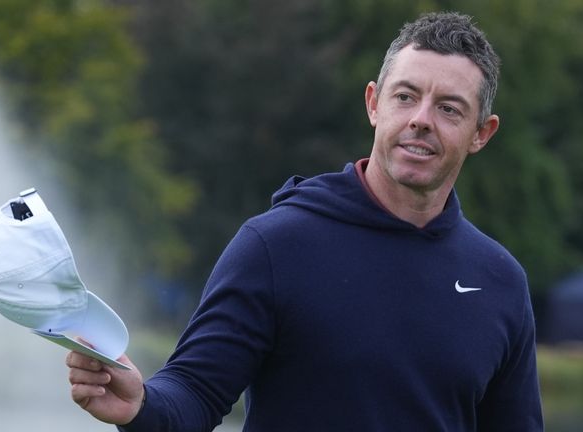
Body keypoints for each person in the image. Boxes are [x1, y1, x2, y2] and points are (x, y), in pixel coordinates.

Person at [67, 11, 544, 431]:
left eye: (448, 108)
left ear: (482, 132)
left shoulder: (499, 280)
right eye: (406, 96)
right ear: (374, 103)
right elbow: (195, 391)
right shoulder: (277, 245)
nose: (421, 119)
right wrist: (141, 406)